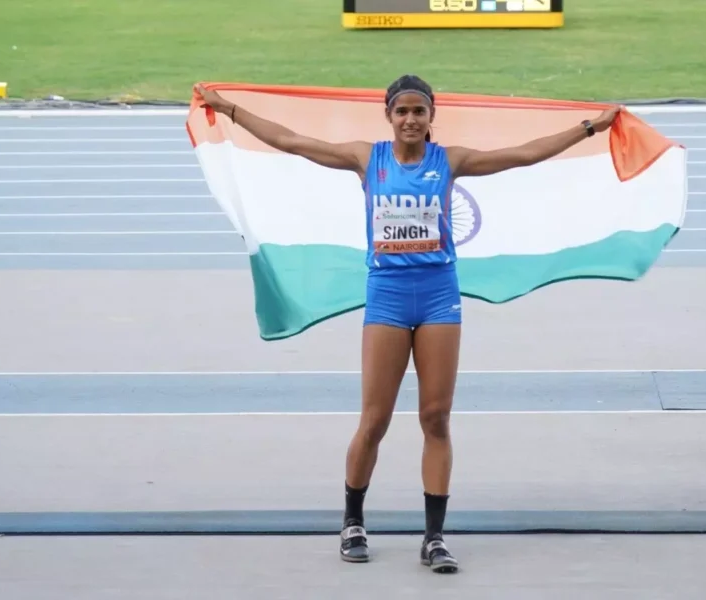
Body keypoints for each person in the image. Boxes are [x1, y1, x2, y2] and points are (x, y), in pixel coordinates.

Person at [195, 76, 621, 573]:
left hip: (439, 297)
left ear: (432, 117)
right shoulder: (365, 159)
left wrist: (590, 128)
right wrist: (227, 109)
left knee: (435, 419)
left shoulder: (451, 161)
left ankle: (434, 538)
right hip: (388, 300)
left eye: (420, 111)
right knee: (374, 421)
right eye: (402, 112)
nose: (411, 119)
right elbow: (291, 142)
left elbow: (523, 155)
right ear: (389, 116)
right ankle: (353, 521)